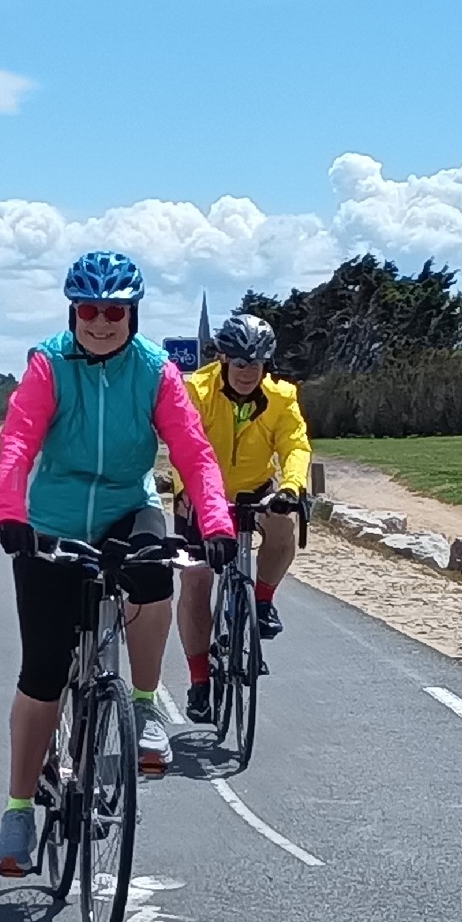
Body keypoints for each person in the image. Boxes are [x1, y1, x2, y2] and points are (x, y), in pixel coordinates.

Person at [0, 249, 234, 878]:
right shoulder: (49, 363)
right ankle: (17, 812)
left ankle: (145, 707)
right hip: (55, 519)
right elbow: (19, 440)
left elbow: (193, 451)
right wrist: (10, 511)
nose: (101, 322)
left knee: (154, 575)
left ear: (132, 313)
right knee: (43, 668)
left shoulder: (154, 371)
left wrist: (216, 522)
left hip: (128, 505)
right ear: (74, 311)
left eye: (115, 311)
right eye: (90, 310)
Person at [177, 310, 311, 728]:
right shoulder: (195, 390)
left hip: (255, 488)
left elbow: (295, 444)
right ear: (222, 358)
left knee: (283, 524)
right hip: (202, 492)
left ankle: (262, 601)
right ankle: (199, 682)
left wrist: (291, 487)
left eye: (255, 363)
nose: (247, 372)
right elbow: (185, 443)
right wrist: (190, 493)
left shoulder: (282, 395)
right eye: (239, 363)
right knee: (197, 582)